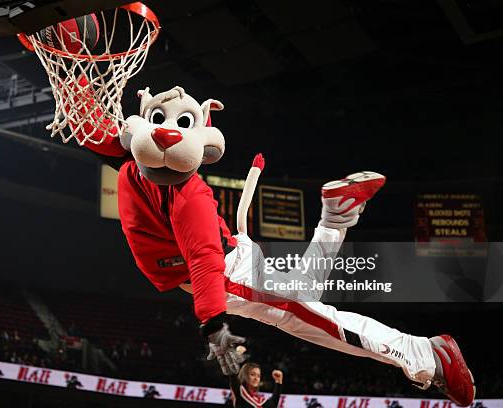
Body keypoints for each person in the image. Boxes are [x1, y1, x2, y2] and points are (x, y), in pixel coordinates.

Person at [66, 85, 474, 406]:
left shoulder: (190, 196)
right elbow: (93, 128)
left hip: (227, 275)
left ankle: (426, 355)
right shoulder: (134, 156)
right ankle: (336, 217)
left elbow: (204, 261)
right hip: (232, 259)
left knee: (309, 316)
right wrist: (75, 71)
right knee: (304, 298)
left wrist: (213, 326)